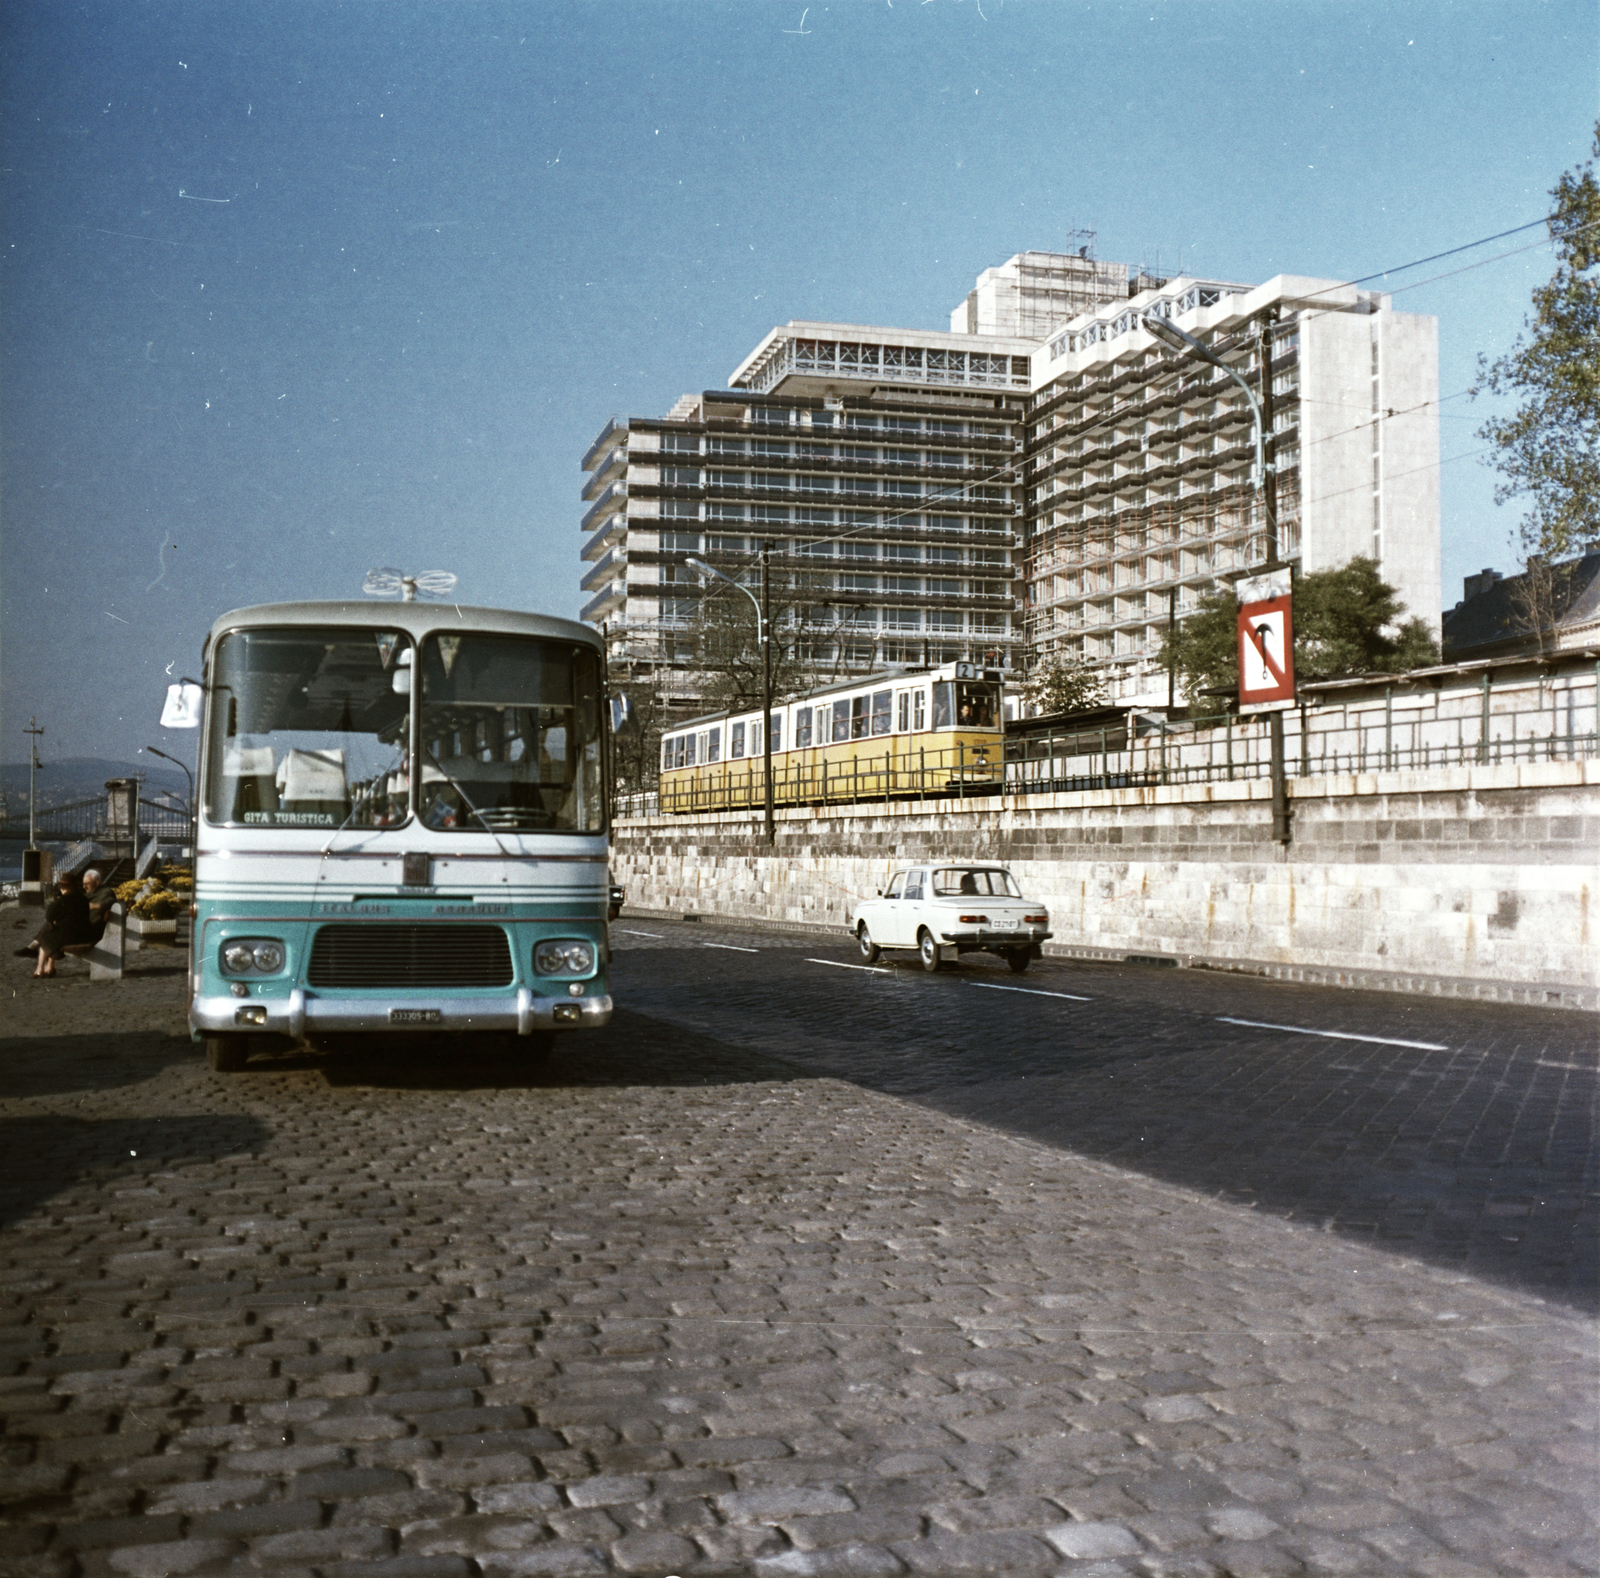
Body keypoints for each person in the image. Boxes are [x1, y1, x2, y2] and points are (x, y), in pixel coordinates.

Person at [18, 872, 92, 978]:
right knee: (53, 932)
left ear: (63, 887)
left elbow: (49, 916)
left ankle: (39, 970)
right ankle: (49, 967)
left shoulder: (64, 900)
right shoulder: (83, 899)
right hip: (83, 935)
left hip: (70, 937)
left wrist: (58, 901)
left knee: (46, 939)